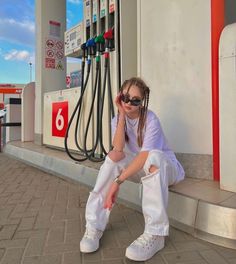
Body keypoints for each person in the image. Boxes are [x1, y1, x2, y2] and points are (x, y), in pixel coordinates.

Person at [80, 77, 185, 261]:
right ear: (120, 96)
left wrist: (118, 182)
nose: (129, 103)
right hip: (141, 169)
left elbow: (144, 157)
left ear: (142, 102)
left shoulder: (150, 119)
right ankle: (94, 225)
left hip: (165, 168)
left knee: (153, 157)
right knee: (112, 158)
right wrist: (120, 113)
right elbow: (118, 148)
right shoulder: (117, 119)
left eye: (135, 100)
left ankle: (156, 233)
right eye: (125, 97)